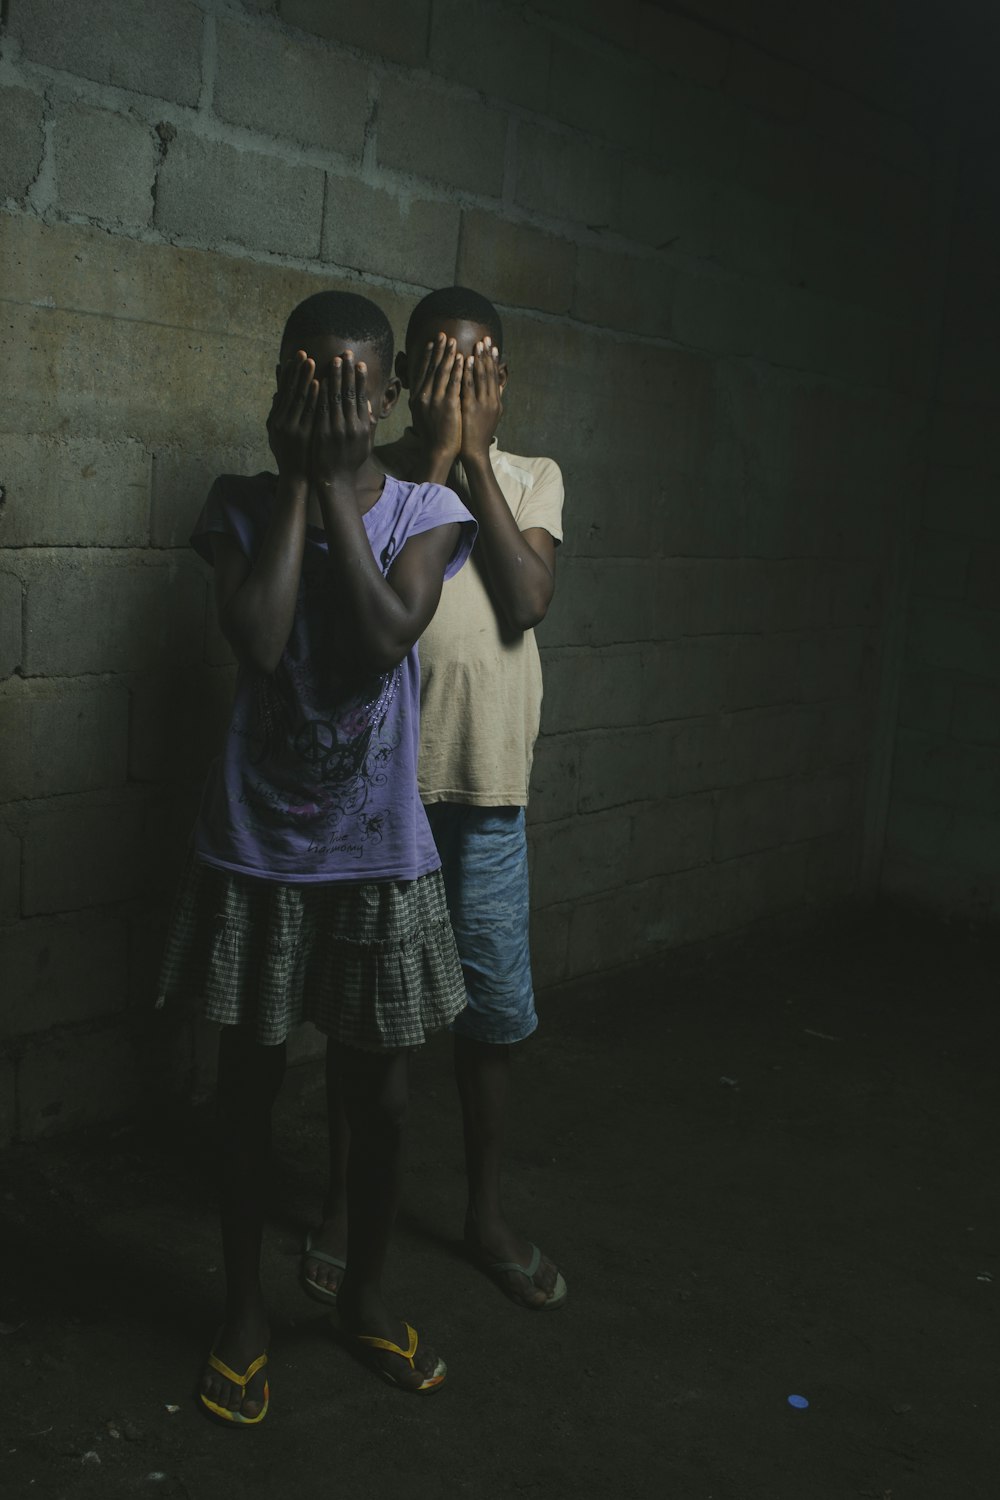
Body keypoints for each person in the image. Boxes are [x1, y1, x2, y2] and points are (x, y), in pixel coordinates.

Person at [157, 289, 476, 1422]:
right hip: (259, 844)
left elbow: (388, 633)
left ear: (385, 397)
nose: (333, 400)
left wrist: (341, 485)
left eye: (353, 386)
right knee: (250, 1082)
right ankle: (243, 1307)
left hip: (375, 852)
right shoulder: (238, 502)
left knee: (379, 1094)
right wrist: (301, 478)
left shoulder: (428, 506)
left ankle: (363, 1294)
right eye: (310, 379)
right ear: (284, 387)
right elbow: (256, 638)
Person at [302, 286, 567, 1314]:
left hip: (489, 792)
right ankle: (339, 1203)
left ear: (501, 383)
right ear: (408, 379)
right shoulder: (375, 485)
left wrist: (469, 462)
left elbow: (527, 596)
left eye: (481, 366)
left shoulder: (532, 478)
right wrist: (434, 464)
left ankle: (483, 1209)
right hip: (382, 798)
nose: (459, 385)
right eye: (442, 368)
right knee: (368, 1023)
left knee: (490, 1018)